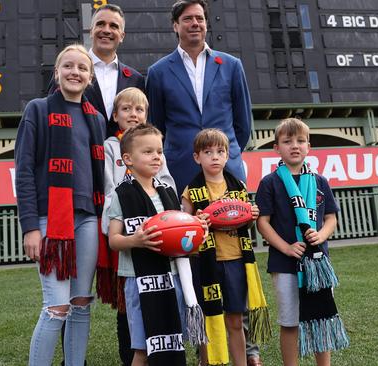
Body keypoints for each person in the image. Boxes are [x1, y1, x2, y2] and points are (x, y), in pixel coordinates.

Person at [15, 44, 105, 366]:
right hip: (49, 219)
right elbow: (24, 171)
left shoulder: (96, 119)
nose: (75, 72)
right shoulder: (38, 110)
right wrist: (30, 228)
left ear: (90, 77)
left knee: (80, 303)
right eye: (68, 66)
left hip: (87, 220)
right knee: (57, 307)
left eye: (82, 68)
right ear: (57, 72)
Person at [105, 124, 206, 366]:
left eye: (159, 152)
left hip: (174, 276)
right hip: (140, 281)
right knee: (142, 349)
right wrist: (135, 240)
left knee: (173, 341)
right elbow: (113, 240)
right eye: (148, 151)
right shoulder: (122, 195)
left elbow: (181, 233)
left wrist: (198, 225)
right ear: (128, 159)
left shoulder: (168, 192)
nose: (156, 157)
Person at [255, 118, 341, 366]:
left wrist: (321, 235)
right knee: (290, 322)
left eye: (300, 141)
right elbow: (263, 223)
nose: (295, 146)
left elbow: (330, 219)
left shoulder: (320, 181)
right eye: (287, 141)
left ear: (308, 146)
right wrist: (286, 247)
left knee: (321, 318)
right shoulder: (270, 182)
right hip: (285, 263)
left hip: (318, 264)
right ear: (276, 148)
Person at [181, 129, 270, 366]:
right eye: (208, 152)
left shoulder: (238, 186)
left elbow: (244, 222)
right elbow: (184, 231)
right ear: (197, 157)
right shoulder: (191, 190)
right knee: (210, 319)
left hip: (236, 259)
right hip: (205, 262)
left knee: (234, 319)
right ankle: (208, 362)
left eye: (220, 152)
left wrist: (251, 215)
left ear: (227, 155)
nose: (215, 157)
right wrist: (196, 222)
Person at [100, 87, 176, 365]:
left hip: (162, 247)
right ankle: (128, 353)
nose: (133, 114)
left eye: (139, 109)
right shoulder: (111, 146)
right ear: (115, 114)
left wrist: (177, 219)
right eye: (126, 109)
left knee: (167, 326)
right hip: (129, 239)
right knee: (133, 314)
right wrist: (121, 218)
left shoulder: (155, 148)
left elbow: (168, 185)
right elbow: (110, 188)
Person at [146, 0, 252, 195]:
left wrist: (225, 152)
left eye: (199, 18)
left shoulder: (232, 66)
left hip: (227, 171)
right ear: (175, 26)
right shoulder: (158, 72)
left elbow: (243, 124)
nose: (195, 23)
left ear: (206, 23)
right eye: (187, 18)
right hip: (180, 171)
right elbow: (156, 128)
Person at [48, 4, 145, 138]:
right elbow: (51, 113)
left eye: (113, 26)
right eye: (100, 24)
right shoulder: (67, 73)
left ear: (122, 36)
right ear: (91, 31)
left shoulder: (135, 79)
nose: (106, 30)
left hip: (122, 156)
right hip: (78, 152)